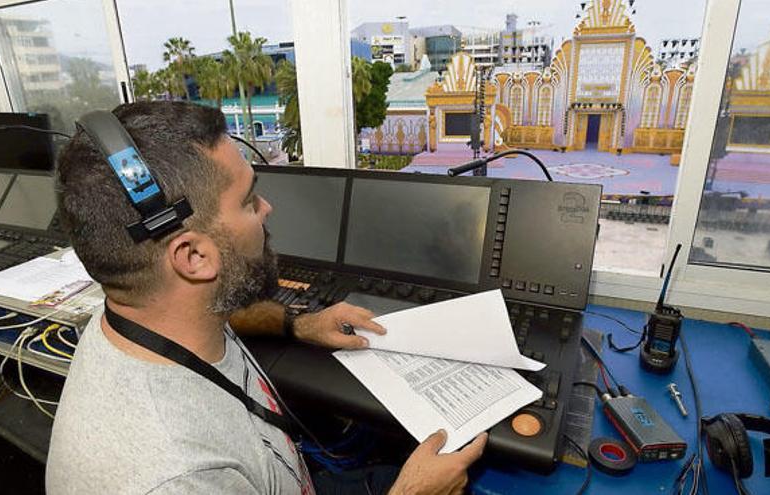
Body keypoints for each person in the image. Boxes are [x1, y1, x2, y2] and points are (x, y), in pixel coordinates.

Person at [46, 101, 487, 494]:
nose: (267, 209)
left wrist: (297, 324)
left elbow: (224, 318)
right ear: (194, 256)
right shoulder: (179, 476)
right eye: (249, 199)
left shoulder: (155, 315)